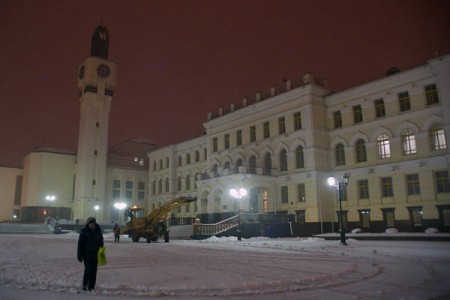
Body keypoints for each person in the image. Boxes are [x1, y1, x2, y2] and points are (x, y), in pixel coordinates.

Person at [77, 217, 104, 291]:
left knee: (94, 271)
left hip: (95, 254)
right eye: (91, 223)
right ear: (88, 223)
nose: (92, 224)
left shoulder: (98, 231)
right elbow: (80, 243)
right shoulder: (84, 231)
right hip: (86, 254)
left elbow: (101, 240)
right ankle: (85, 285)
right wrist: (79, 254)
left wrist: (101, 244)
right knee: (88, 270)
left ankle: (91, 286)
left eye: (93, 223)